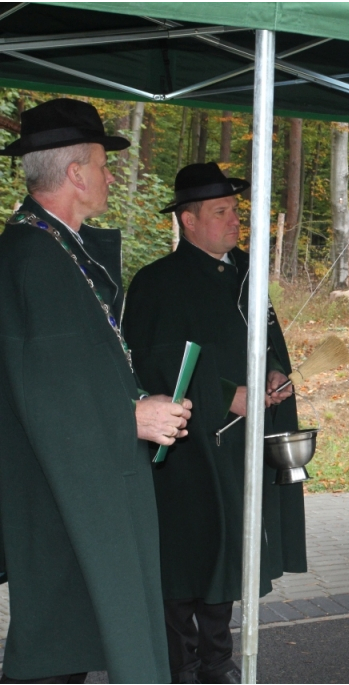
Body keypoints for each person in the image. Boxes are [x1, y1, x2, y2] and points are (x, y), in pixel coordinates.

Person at [0, 98, 191, 683]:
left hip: (75, 479)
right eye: (104, 166)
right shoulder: (34, 257)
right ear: (76, 174)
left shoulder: (55, 246)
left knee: (72, 628)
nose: (111, 177)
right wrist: (129, 416)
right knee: (55, 635)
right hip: (58, 484)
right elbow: (47, 391)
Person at [122, 162, 307, 684]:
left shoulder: (247, 271)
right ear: (188, 220)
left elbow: (269, 340)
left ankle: (218, 662)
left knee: (231, 550)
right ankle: (179, 665)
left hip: (238, 447)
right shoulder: (157, 283)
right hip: (184, 449)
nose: (235, 221)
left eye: (235, 211)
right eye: (222, 212)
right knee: (186, 556)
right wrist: (228, 396)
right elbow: (154, 368)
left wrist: (275, 373)